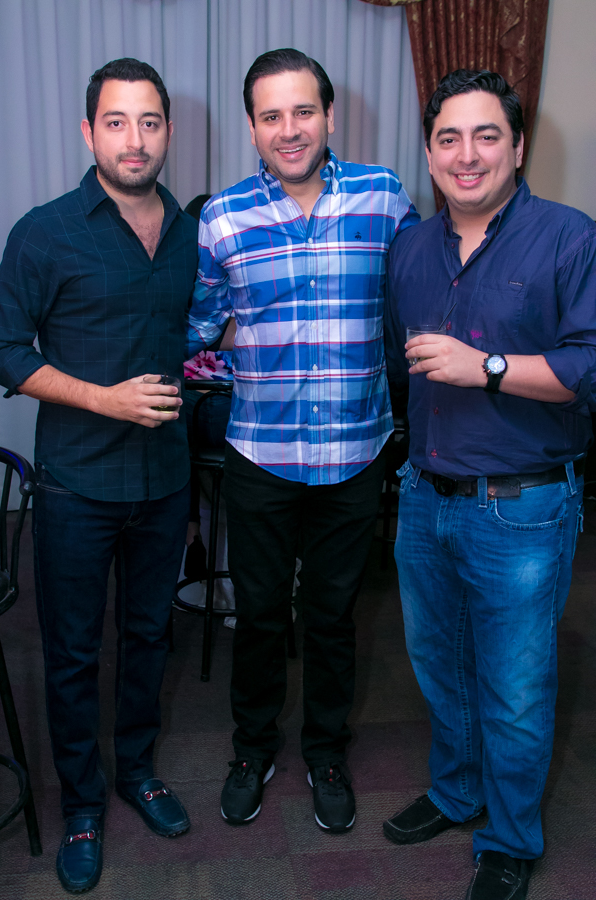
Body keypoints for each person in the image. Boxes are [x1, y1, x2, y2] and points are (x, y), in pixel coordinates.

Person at [188, 47, 419, 834]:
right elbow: (197, 325)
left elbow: (419, 292)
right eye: (271, 116)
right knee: (260, 618)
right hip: (262, 454)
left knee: (331, 618)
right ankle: (251, 749)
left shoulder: (383, 197)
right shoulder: (222, 218)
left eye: (303, 111)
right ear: (252, 128)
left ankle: (325, 751)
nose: (289, 130)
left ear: (329, 115)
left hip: (356, 454)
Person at [383, 69, 596, 900]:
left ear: (517, 146)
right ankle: (457, 791)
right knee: (440, 669)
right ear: (430, 150)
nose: (466, 155)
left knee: (514, 689)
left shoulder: (569, 237)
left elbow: (587, 369)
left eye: (486, 136)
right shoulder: (410, 248)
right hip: (424, 497)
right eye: (448, 138)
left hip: (523, 509)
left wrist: (490, 367)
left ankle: (509, 838)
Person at [0, 58, 198, 893]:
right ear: (89, 132)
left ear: (168, 131)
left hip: (166, 481)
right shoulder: (45, 232)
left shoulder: (190, 230)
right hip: (77, 485)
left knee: (149, 637)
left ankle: (136, 772)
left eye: (149, 122)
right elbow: (5, 351)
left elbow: (196, 330)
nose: (134, 139)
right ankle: (81, 803)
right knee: (75, 651)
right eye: (116, 122)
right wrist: (103, 400)